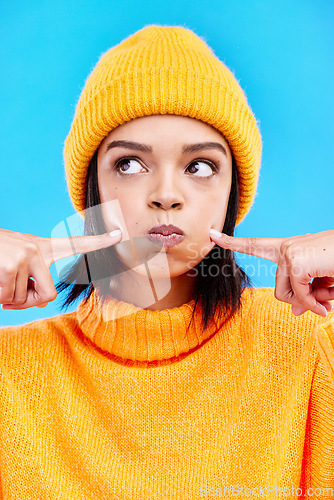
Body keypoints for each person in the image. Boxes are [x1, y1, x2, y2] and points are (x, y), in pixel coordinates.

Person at [0, 25, 334, 499]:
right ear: (91, 191)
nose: (166, 196)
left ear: (231, 194)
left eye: (199, 166)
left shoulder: (308, 341)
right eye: (130, 165)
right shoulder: (10, 371)